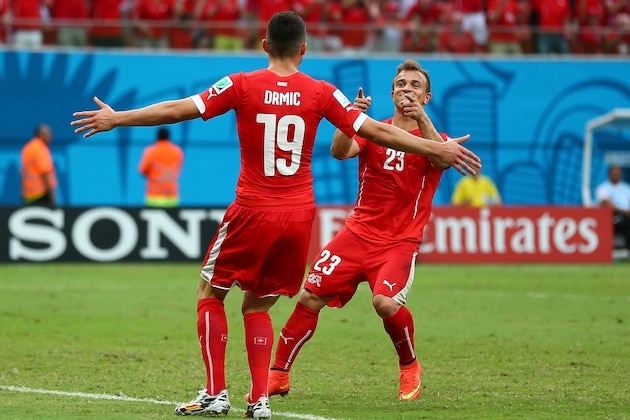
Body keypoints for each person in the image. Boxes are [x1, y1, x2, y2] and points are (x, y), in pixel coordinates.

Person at [71, 11, 481, 419]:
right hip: (299, 217)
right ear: (304, 49)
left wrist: (116, 118)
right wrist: (437, 147)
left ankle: (216, 394)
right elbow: (374, 132)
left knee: (210, 293)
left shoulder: (240, 84)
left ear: (265, 45)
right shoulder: (323, 92)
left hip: (253, 209)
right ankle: (261, 398)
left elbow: (181, 109)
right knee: (260, 306)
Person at [263, 59, 450, 403]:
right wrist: (349, 120)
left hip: (398, 242)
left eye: (415, 85)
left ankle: (409, 365)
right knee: (309, 296)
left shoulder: (437, 139)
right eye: (401, 84)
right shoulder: (374, 130)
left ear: (427, 97)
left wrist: (421, 119)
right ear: (392, 92)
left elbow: (439, 159)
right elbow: (339, 151)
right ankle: (277, 375)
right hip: (356, 234)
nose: (406, 88)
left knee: (384, 303)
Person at [138, 127, 184, 207]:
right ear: (169, 136)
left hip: (154, 196)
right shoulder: (177, 151)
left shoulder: (151, 151)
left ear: (157, 136)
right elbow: (178, 170)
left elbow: (142, 170)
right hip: (171, 195)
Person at [595, 165, 630, 253]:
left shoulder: (627, 188)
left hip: (627, 214)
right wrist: (626, 212)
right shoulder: (603, 188)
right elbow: (608, 205)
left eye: (617, 174)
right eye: (614, 174)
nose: (616, 175)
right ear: (609, 174)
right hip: (613, 216)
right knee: (626, 221)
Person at [21, 124, 57, 206]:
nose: (50, 136)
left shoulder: (28, 147)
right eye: (47, 134)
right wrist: (51, 195)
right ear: (40, 135)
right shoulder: (41, 149)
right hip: (41, 193)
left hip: (28, 193)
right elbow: (45, 172)